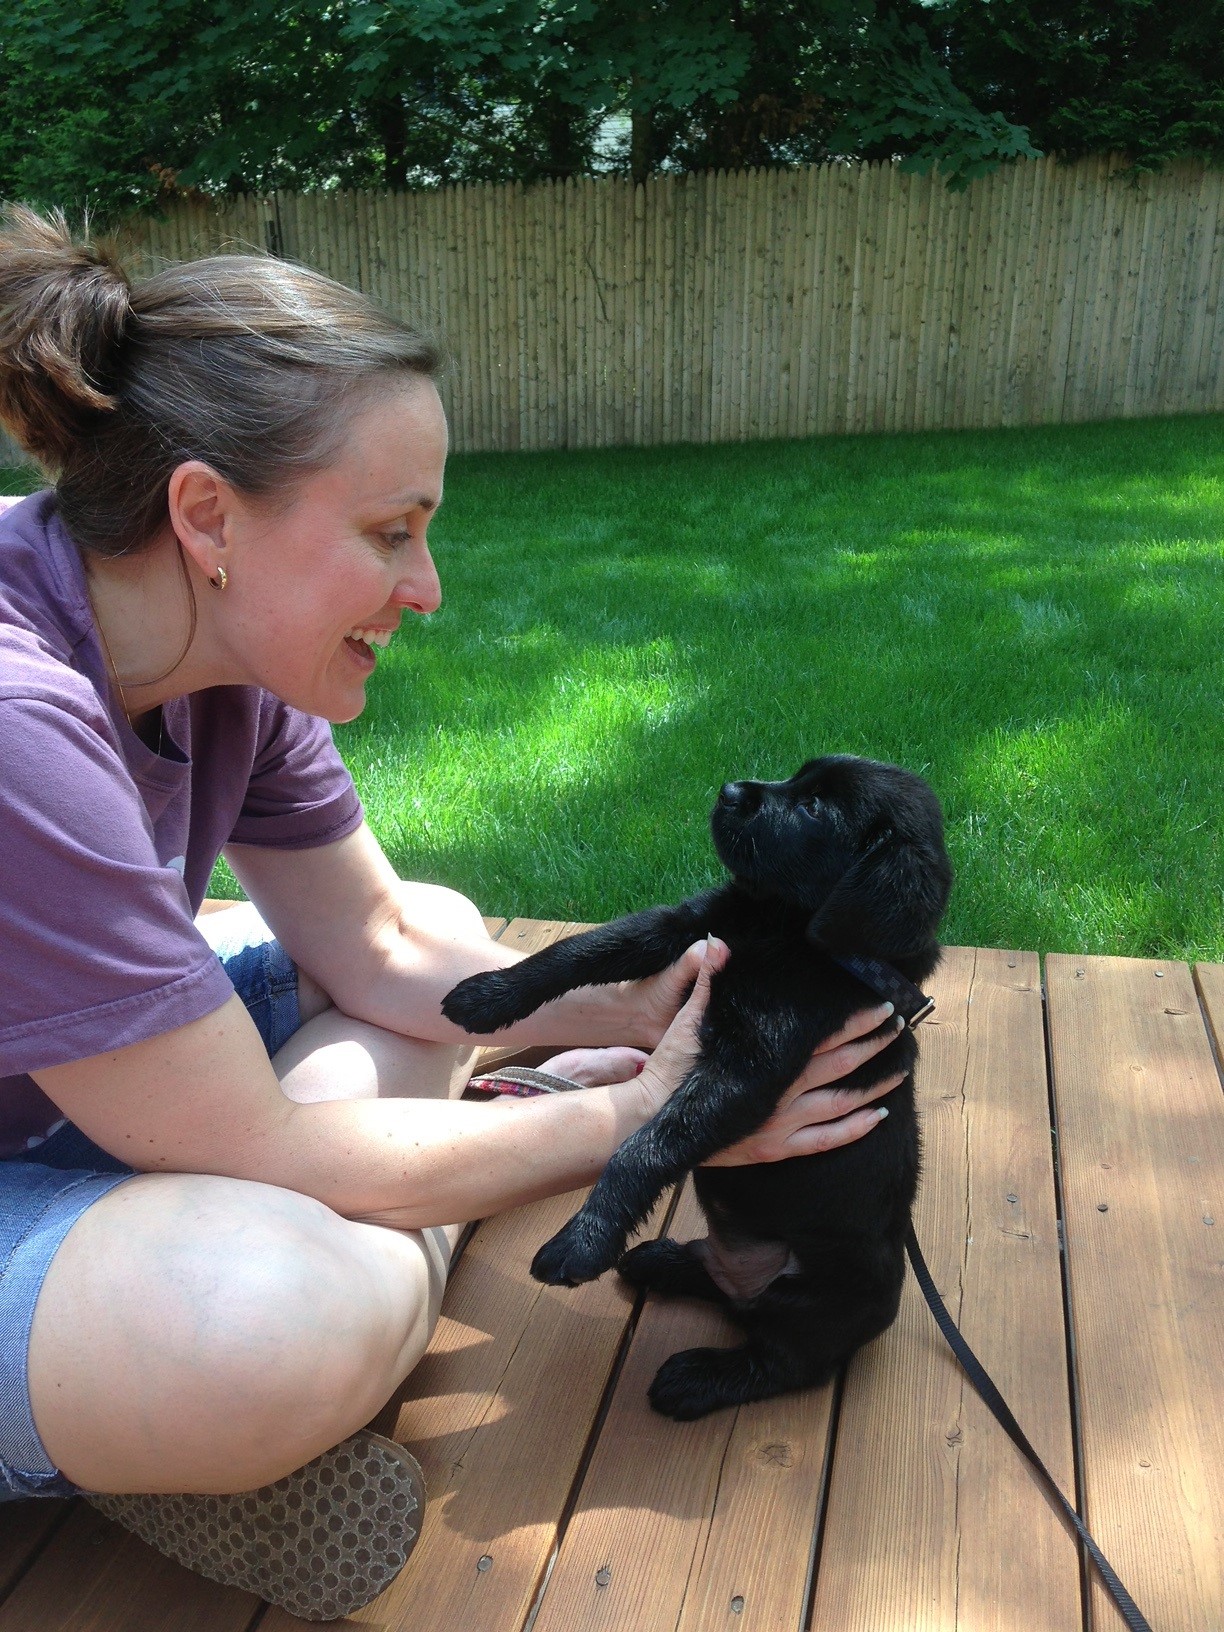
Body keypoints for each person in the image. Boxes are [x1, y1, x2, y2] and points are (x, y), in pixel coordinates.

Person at [0, 206, 904, 1620]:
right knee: (278, 1328)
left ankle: (177, 1349)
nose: (427, 589)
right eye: (389, 533)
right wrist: (633, 1119)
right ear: (205, 516)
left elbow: (377, 940)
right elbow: (257, 1139)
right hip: (70, 1126)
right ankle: (197, 1381)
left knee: (438, 928)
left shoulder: (213, 644)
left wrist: (676, 1005)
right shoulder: (17, 719)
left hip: (66, 1090)